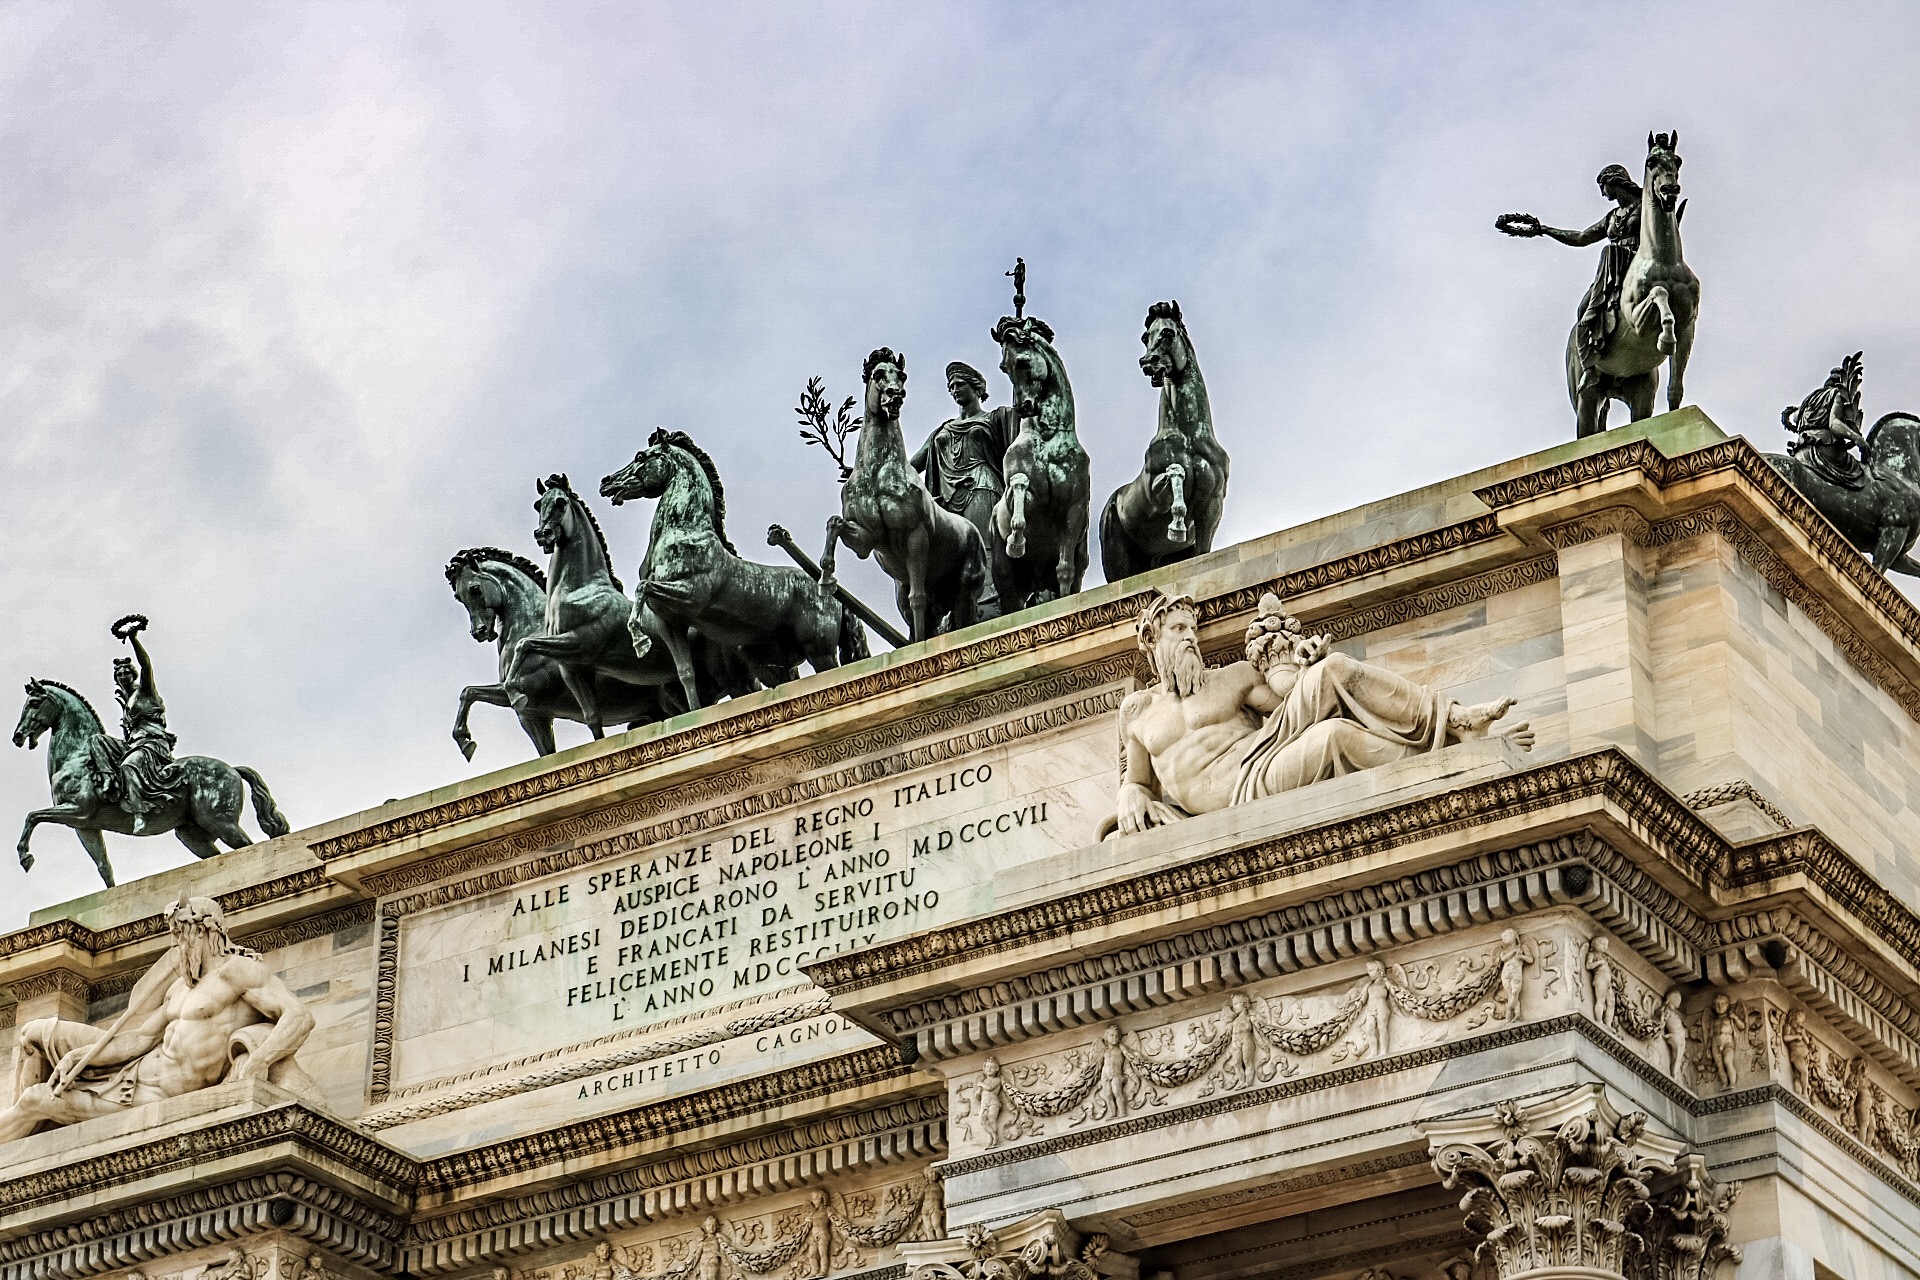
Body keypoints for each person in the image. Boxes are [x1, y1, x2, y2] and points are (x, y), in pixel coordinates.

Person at [1113, 593, 1528, 834]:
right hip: (1242, 797)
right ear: (1151, 639)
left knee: (1335, 669)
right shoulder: (1137, 713)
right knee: (1335, 737)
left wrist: (1304, 664)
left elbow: (1294, 704)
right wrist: (1129, 792)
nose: (1190, 639)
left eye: (1192, 630)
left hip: (1260, 762)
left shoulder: (1232, 678)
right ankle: (1448, 757)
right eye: (1178, 631)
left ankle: (1454, 722)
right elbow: (1138, 780)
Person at [0, 897, 315, 1141]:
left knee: (33, 1101)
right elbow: (139, 1039)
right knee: (33, 1037)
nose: (176, 944)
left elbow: (299, 1016)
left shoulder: (238, 972)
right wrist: (78, 1056)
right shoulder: (179, 987)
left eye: (181, 934)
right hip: (133, 1075)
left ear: (203, 931)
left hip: (154, 1097)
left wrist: (260, 1059)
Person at [1498, 164, 1643, 365]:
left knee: (1609, 251)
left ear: (1612, 181)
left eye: (1602, 186)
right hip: (1613, 271)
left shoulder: (1647, 205)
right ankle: (1594, 356)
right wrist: (1546, 230)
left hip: (1640, 261)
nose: (1602, 193)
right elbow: (1582, 237)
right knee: (1583, 307)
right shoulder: (1611, 217)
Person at [84, 615, 183, 835]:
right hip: (135, 744)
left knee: (129, 765)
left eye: (126, 673)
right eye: (118, 674)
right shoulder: (126, 702)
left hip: (153, 743)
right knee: (97, 740)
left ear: (133, 674)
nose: (122, 676)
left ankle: (139, 813)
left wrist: (133, 639)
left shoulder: (146, 691)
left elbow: (146, 665)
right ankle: (109, 781)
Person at [911, 362, 1018, 559]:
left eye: (960, 384)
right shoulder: (942, 430)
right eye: (951, 387)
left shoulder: (996, 418)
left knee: (982, 546)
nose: (954, 390)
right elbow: (912, 466)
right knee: (949, 554)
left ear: (977, 388)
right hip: (945, 497)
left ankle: (991, 586)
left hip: (981, 487)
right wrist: (870, 473)